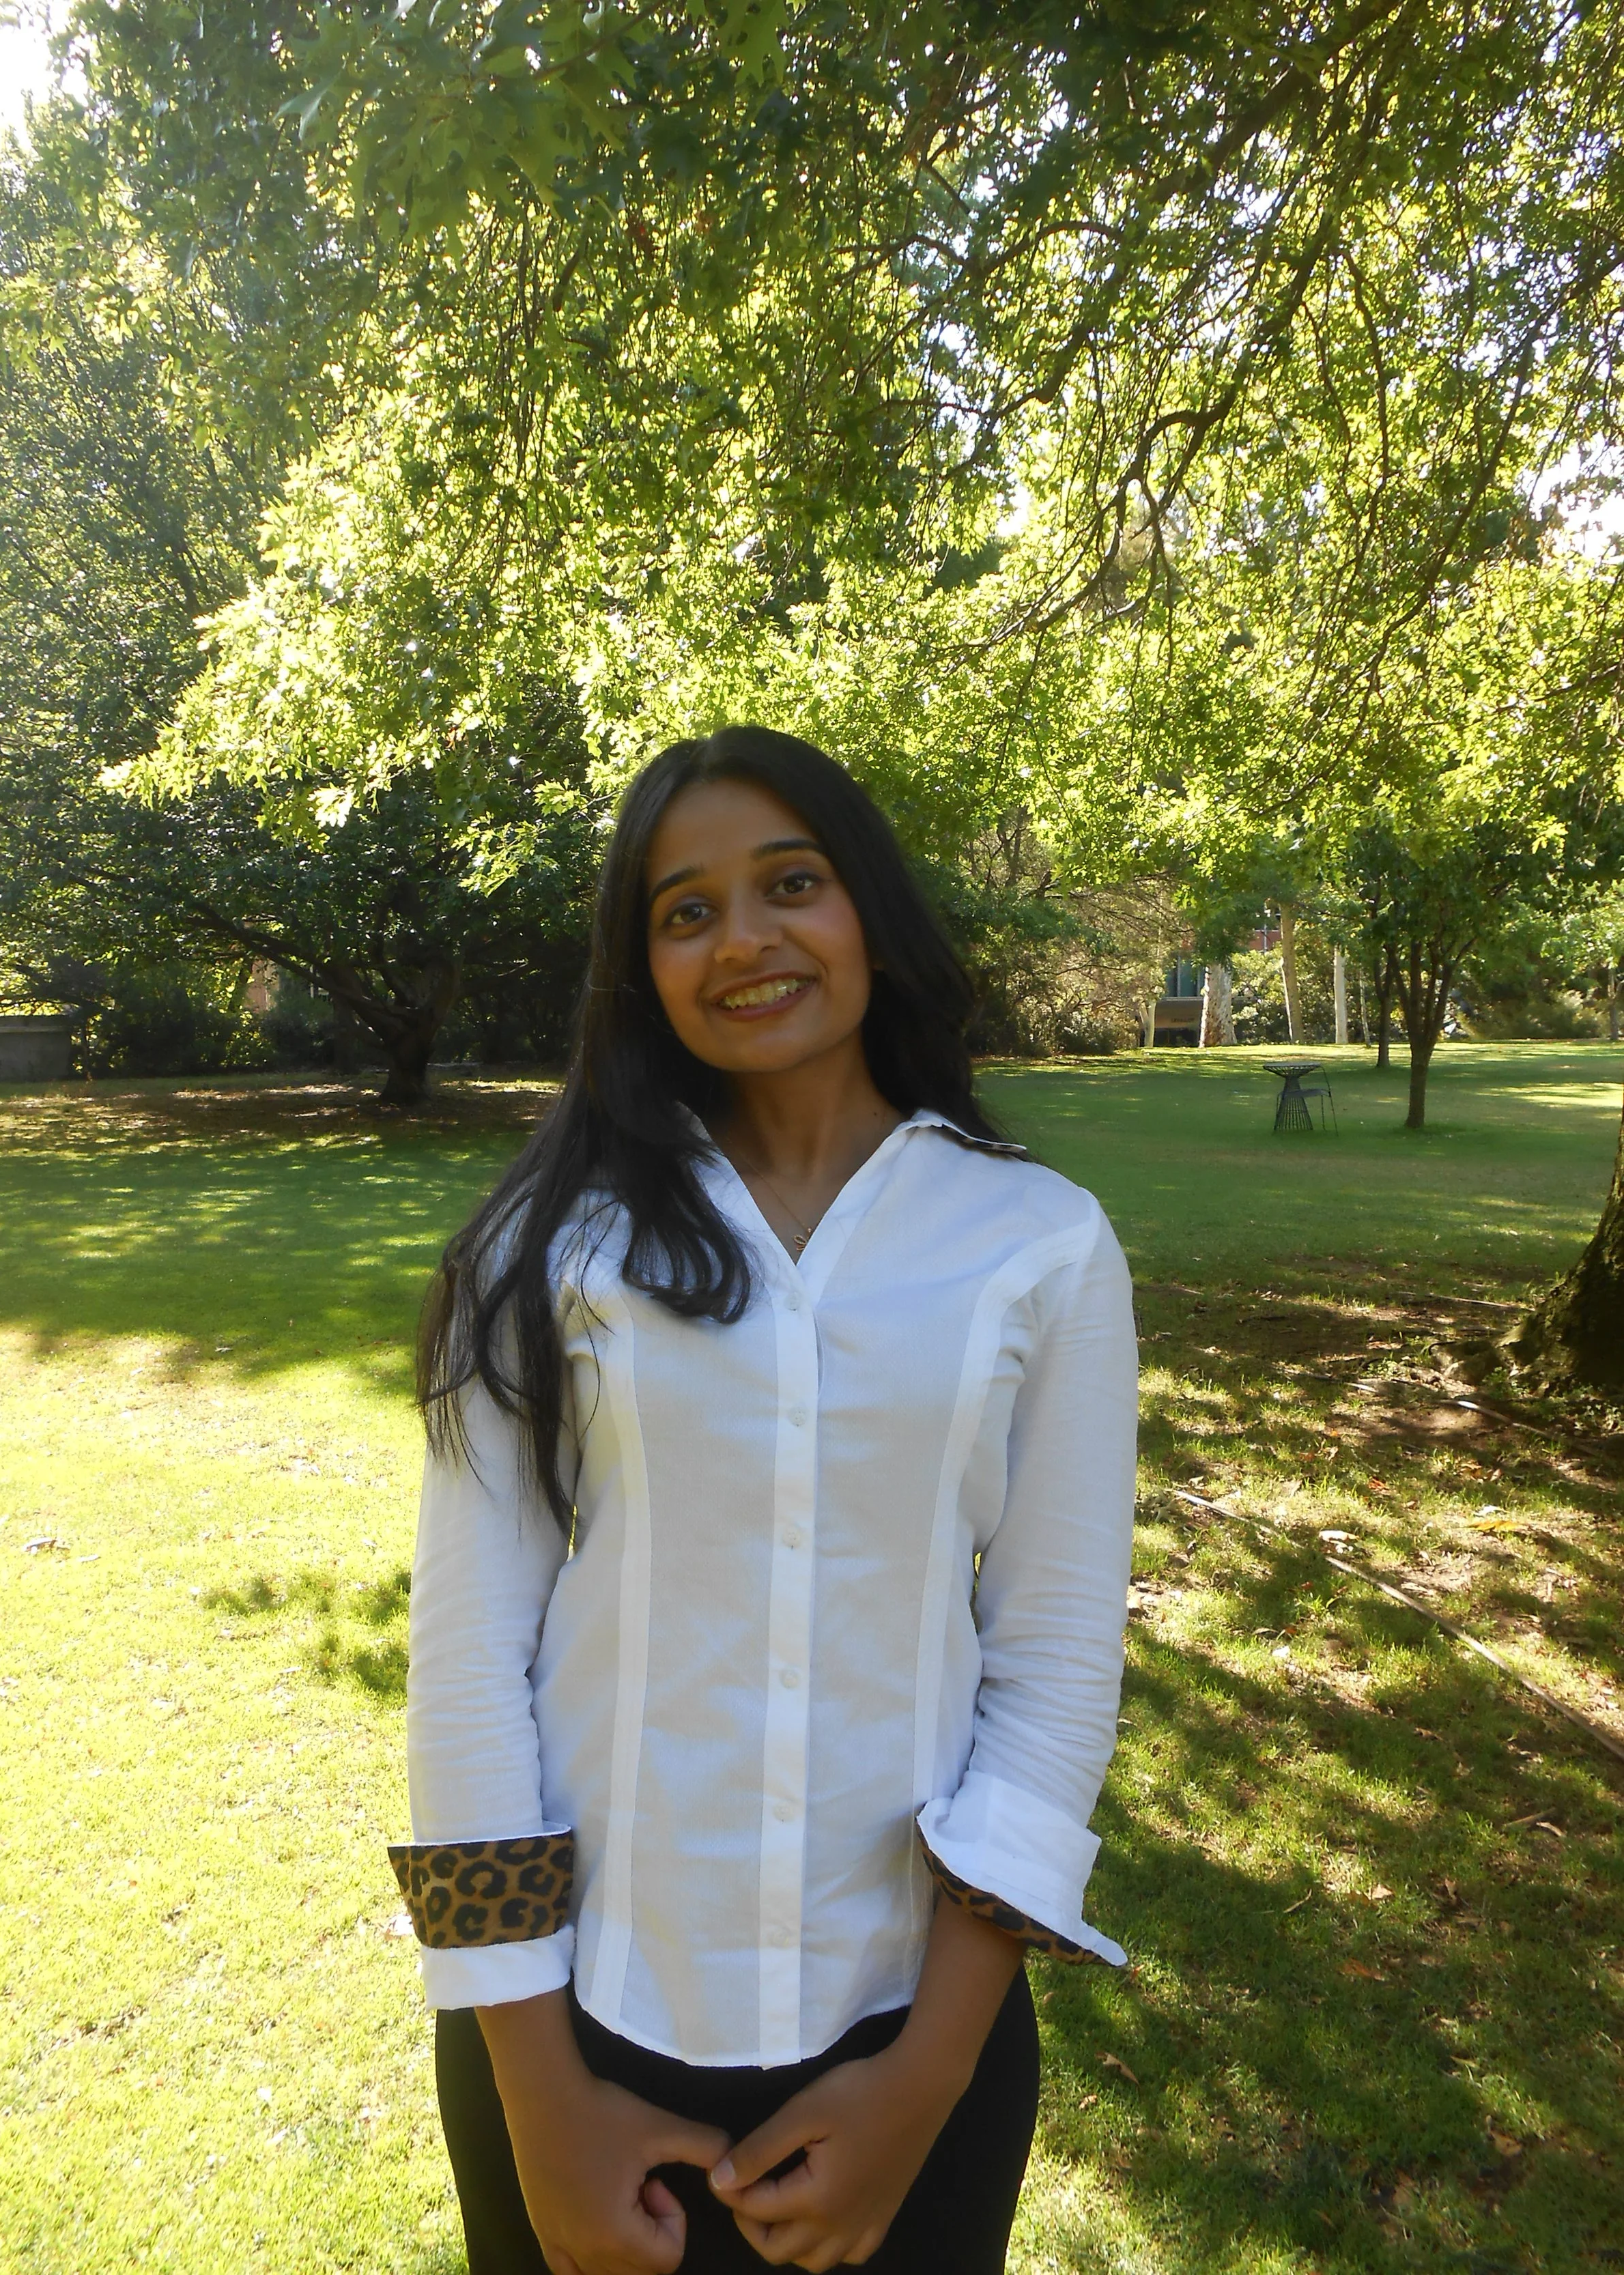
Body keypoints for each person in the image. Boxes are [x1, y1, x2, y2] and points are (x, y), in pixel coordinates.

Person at [392, 725, 1138, 2274]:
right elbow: (466, 1664)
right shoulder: (544, 1244)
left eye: (789, 884)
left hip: (911, 2035)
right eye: (686, 910)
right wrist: (541, 2099)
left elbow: (1055, 1664)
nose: (742, 938)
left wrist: (925, 2081)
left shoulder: (1039, 1241)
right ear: (640, 968)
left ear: (866, 908)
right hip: (577, 2028)